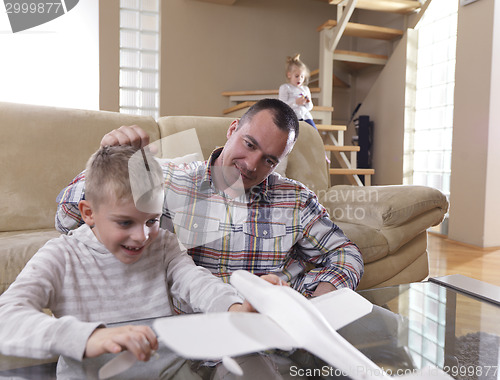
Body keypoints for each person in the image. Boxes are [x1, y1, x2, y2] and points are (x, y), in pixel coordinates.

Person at [56, 99, 364, 314]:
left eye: (269, 160)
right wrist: (109, 160)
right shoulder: (166, 179)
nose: (251, 165)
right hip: (189, 334)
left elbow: (345, 254)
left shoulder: (295, 199)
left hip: (265, 331)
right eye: (249, 144)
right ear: (232, 130)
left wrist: (316, 297)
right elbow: (67, 220)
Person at [0, 145, 255, 369]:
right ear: (89, 213)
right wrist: (88, 337)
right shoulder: (61, 256)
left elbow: (198, 283)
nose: (142, 236)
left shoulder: (163, 244)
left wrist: (234, 308)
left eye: (152, 220)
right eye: (125, 222)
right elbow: (7, 319)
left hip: (168, 370)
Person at [278, 54, 317, 130]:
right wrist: (295, 102)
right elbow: (282, 105)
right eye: (297, 76)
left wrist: (308, 102)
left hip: (305, 116)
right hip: (292, 117)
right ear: (289, 75)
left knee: (314, 132)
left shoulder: (305, 89)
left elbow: (310, 107)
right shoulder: (285, 88)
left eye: (302, 76)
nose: (300, 79)